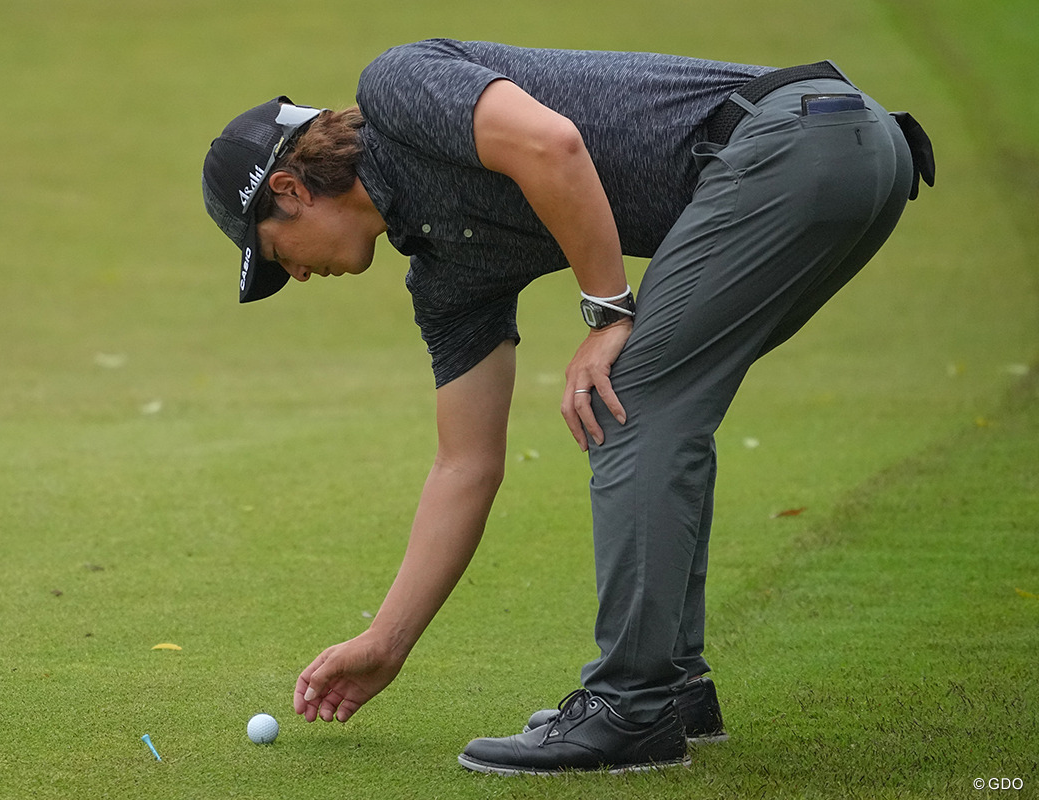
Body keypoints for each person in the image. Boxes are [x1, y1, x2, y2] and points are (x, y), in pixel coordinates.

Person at [201, 38, 933, 775]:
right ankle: (673, 692)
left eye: (272, 253)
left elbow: (551, 143)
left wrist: (609, 311)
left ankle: (630, 709)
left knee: (632, 399)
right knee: (662, 401)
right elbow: (466, 465)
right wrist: (386, 641)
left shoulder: (398, 87)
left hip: (803, 139)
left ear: (291, 190)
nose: (291, 276)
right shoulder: (447, 278)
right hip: (842, 153)